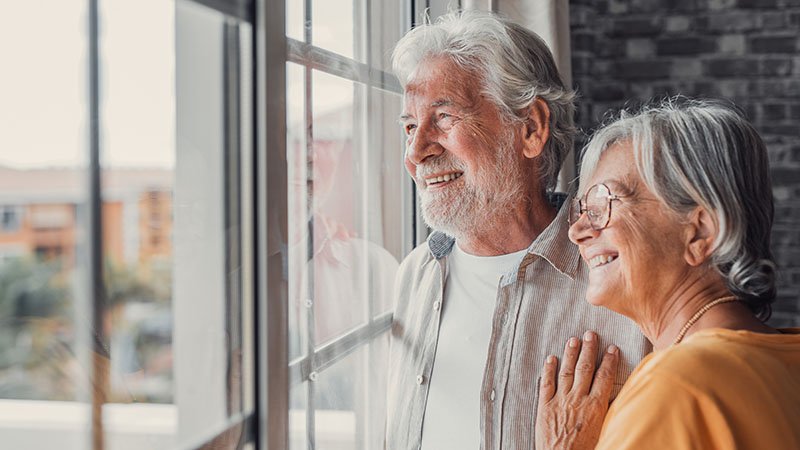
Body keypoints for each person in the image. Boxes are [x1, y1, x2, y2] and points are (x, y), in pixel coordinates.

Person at [385, 10, 650, 450]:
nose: (416, 152)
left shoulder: (623, 278)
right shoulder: (414, 275)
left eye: (444, 117)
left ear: (530, 129)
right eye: (410, 126)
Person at [535, 98, 800, 450]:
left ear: (700, 232)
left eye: (603, 205)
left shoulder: (676, 388)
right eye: (582, 210)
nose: (577, 231)